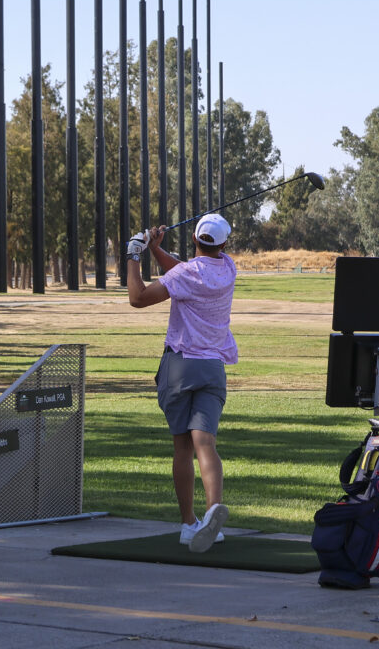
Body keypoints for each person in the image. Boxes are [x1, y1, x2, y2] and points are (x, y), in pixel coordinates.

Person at [126, 213, 237, 553]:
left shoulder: (187, 274)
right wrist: (158, 252)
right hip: (213, 369)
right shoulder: (228, 269)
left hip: (180, 367)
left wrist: (134, 256)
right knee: (206, 442)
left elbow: (138, 297)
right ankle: (213, 511)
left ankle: (188, 523)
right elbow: (184, 272)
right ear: (224, 244)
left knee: (182, 447)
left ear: (194, 240)